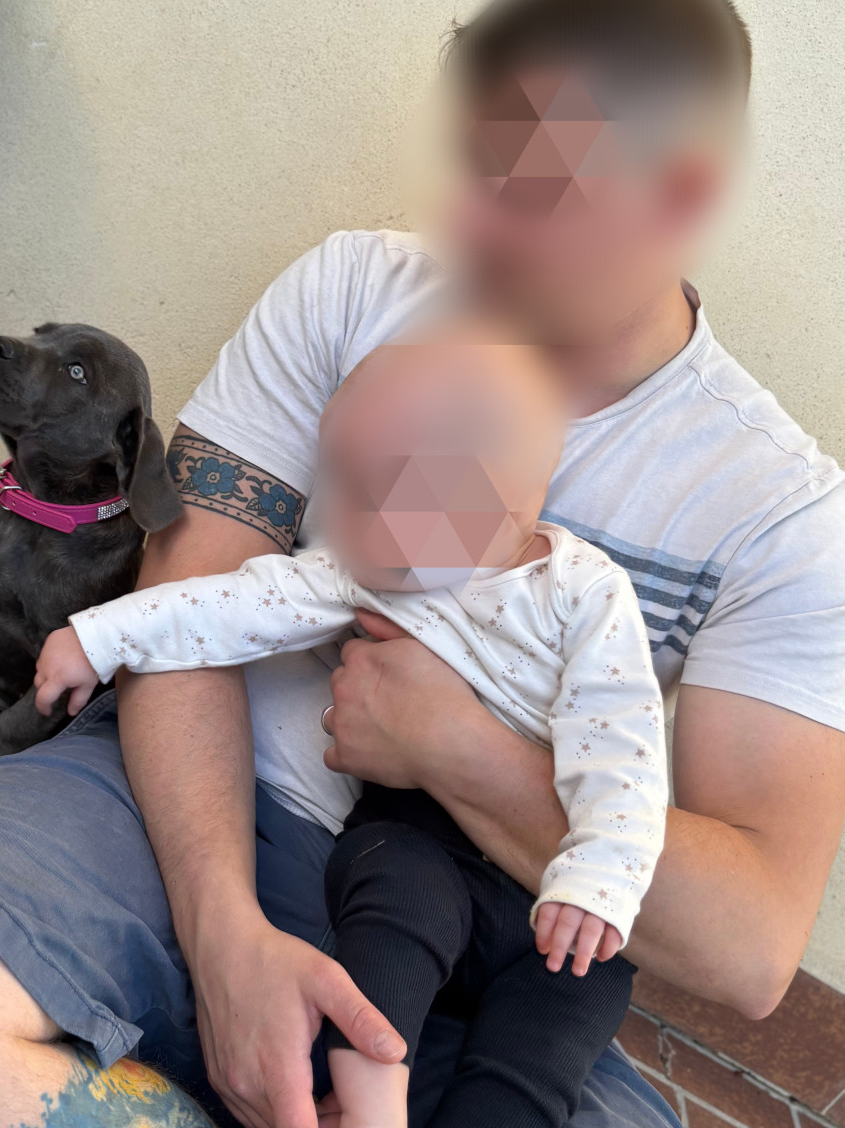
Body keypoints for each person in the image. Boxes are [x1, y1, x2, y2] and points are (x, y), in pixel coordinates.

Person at [0, 0, 845, 1128]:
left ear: (680, 194)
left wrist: (459, 751)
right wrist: (223, 931)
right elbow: (194, 588)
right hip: (189, 808)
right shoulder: (353, 291)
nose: (473, 226)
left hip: (481, 948)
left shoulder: (776, 510)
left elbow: (747, 946)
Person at [34, 330, 669, 1128]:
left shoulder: (584, 594)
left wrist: (599, 879)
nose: (338, 516)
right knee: (392, 914)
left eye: (372, 495)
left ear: (492, 504)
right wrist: (101, 637)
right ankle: (372, 1096)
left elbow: (624, 747)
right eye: (341, 483)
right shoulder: (373, 568)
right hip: (420, 843)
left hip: (547, 879)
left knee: (570, 1005)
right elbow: (235, 604)